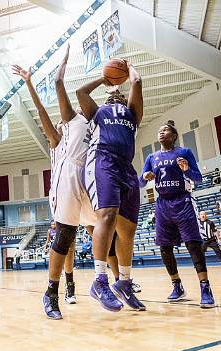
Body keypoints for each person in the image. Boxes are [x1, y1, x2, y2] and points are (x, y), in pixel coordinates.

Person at [12, 44, 96, 320]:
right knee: (65, 238)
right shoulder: (60, 137)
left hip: (89, 182)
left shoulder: (89, 122)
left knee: (103, 230)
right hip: (66, 182)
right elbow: (42, 112)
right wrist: (29, 83)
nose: (61, 121)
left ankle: (108, 280)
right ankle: (53, 293)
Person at [76, 60, 146, 312]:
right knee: (106, 216)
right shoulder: (97, 112)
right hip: (102, 161)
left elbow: (137, 82)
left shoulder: (132, 114)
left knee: (127, 230)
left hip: (126, 168)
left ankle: (124, 282)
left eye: (119, 93)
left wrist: (128, 71)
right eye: (110, 95)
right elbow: (80, 93)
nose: (114, 94)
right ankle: (99, 280)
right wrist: (104, 80)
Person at [139, 120, 215, 308]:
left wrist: (186, 170)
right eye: (159, 130)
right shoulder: (152, 157)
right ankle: (177, 285)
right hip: (163, 204)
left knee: (193, 244)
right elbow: (140, 183)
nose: (161, 133)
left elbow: (198, 177)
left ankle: (205, 287)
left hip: (183, 201)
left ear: (174, 135)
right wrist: (145, 177)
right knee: (165, 248)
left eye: (165, 130)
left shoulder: (184, 152)